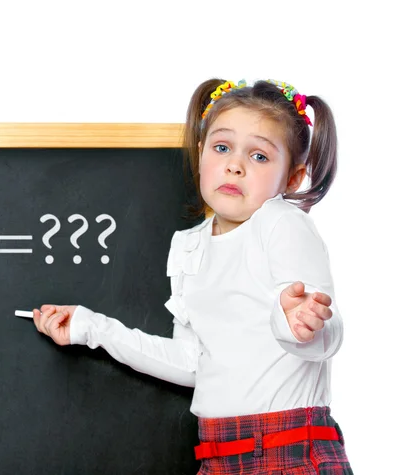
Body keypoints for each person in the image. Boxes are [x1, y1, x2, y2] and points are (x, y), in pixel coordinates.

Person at [32, 78, 353, 474]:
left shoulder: (281, 223)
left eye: (259, 157)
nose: (235, 165)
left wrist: (300, 325)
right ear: (201, 154)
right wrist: (91, 328)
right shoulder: (188, 245)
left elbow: (328, 334)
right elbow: (190, 362)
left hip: (285, 452)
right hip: (217, 456)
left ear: (292, 178)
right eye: (222, 148)